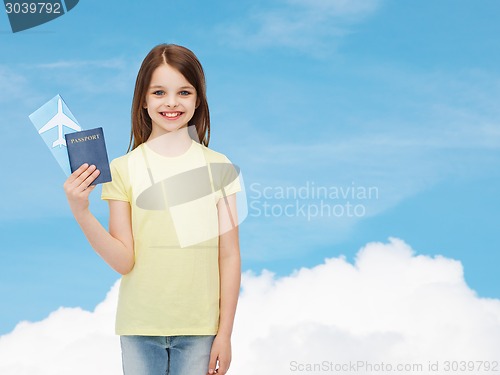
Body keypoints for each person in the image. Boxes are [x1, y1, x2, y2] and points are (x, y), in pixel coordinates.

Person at [63, 44, 242, 375]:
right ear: (143, 100)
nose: (171, 102)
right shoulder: (122, 169)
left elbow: (229, 255)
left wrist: (225, 334)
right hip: (139, 328)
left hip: (201, 329)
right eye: (159, 92)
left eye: (183, 92)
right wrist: (81, 211)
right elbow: (124, 260)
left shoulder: (220, 168)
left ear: (198, 99)